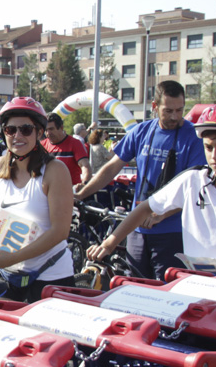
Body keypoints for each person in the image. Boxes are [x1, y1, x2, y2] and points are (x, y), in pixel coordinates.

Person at [86, 102, 216, 268]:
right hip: (195, 287)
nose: (215, 155)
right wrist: (108, 245)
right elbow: (144, 208)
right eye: (209, 147)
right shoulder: (192, 180)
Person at [75, 80, 204, 279]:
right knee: (133, 284)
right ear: (154, 107)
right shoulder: (142, 131)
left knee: (165, 290)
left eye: (179, 110)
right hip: (137, 228)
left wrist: (162, 214)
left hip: (173, 231)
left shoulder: (194, 137)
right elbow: (111, 168)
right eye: (168, 111)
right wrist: (82, 193)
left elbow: (195, 189)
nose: (175, 117)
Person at [0, 97, 74, 302]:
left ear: (39, 132)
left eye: (26, 130)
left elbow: (60, 231)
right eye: (10, 130)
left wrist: (14, 257)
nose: (17, 136)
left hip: (51, 276)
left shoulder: (55, 170)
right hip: (9, 273)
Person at [42, 113, 91, 186]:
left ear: (61, 128)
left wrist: (84, 183)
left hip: (70, 191)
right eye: (46, 130)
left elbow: (85, 165)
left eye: (51, 129)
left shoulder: (75, 143)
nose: (48, 133)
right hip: (48, 192)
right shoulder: (42, 145)